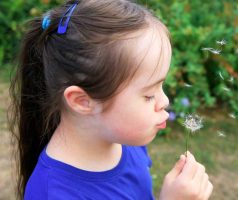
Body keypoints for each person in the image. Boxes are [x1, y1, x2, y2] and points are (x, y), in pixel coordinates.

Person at [8, 0, 213, 199]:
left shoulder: (123, 139)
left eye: (161, 86)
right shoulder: (54, 193)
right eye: (149, 95)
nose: (165, 101)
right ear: (82, 101)